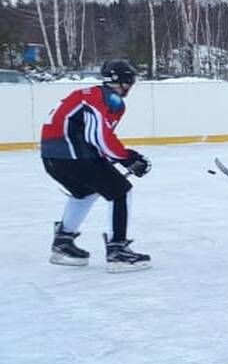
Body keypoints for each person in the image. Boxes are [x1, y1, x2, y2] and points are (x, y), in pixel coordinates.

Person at [40, 59, 153, 271]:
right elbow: (98, 137)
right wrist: (127, 157)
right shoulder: (107, 99)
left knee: (85, 192)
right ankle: (117, 251)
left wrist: (123, 156)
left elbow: (94, 137)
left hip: (51, 157)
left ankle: (63, 243)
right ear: (124, 81)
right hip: (73, 156)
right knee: (121, 191)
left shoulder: (89, 94)